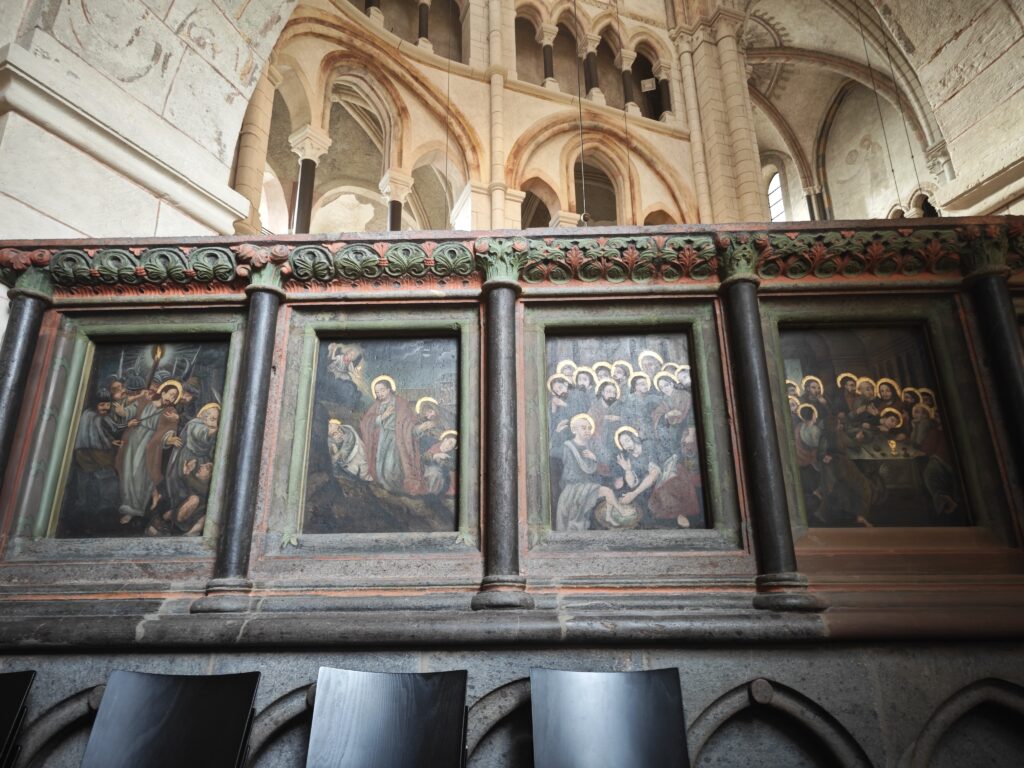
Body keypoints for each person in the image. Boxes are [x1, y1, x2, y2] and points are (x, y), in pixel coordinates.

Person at [115, 380, 184, 524]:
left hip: (150, 444)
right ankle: (128, 505)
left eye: (174, 397)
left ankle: (135, 509)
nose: (171, 399)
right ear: (163, 392)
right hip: (133, 439)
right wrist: (123, 412)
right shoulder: (145, 400)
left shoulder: (170, 412)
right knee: (128, 472)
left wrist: (169, 439)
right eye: (170, 394)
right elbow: (131, 411)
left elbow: (169, 429)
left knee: (139, 474)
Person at [359, 375, 426, 496]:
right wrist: (382, 417)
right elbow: (366, 422)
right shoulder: (376, 405)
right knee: (380, 468)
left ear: (390, 389)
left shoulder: (401, 404)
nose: (379, 394)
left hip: (397, 440)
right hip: (381, 440)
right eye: (377, 391)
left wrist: (419, 428)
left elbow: (409, 424)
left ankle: (397, 493)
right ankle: (387, 494)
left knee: (391, 469)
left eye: (382, 390)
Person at [555, 413, 618, 531]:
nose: (587, 431)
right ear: (574, 430)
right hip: (573, 488)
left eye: (589, 428)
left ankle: (611, 516)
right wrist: (557, 434)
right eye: (583, 428)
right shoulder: (567, 447)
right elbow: (552, 452)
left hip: (590, 486)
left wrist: (595, 458)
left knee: (608, 492)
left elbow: (608, 464)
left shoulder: (593, 446)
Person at [164, 402, 221, 532]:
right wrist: (218, 428)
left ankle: (187, 518)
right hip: (188, 459)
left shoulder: (207, 426)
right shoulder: (195, 424)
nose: (214, 423)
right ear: (202, 417)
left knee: (199, 492)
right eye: (212, 419)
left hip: (201, 460)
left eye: (217, 420)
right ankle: (177, 514)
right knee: (186, 489)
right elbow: (202, 434)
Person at [608, 426, 658, 528]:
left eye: (627, 440)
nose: (626, 445)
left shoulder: (648, 446)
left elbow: (654, 475)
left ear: (634, 437)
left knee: (643, 503)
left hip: (658, 482)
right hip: (643, 487)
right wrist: (627, 470)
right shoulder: (629, 457)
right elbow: (632, 484)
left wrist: (634, 494)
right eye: (623, 444)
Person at [423, 430, 458, 496]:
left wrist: (448, 463)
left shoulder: (450, 454)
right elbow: (425, 458)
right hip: (429, 470)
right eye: (450, 443)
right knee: (436, 473)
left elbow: (451, 467)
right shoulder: (435, 446)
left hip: (443, 473)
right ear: (445, 440)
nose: (450, 446)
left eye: (453, 446)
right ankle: (431, 495)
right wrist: (436, 455)